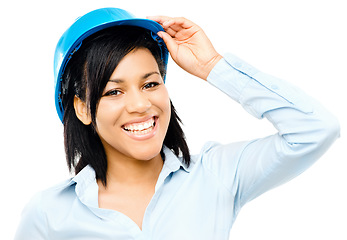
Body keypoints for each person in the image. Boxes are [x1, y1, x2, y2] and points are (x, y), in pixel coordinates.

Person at [15, 7, 340, 240]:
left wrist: (213, 66)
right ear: (83, 109)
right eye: (114, 91)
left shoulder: (217, 175)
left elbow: (316, 129)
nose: (141, 104)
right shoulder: (47, 215)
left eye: (151, 84)